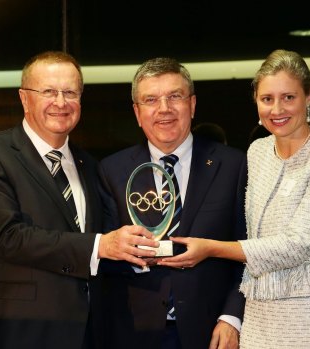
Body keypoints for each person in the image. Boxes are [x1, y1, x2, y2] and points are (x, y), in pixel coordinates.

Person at [0, 51, 158, 349]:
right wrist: (103, 245)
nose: (61, 103)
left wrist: (147, 250)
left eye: (70, 92)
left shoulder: (91, 166)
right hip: (13, 333)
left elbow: (95, 253)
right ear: (24, 98)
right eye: (48, 91)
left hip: (84, 333)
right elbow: (8, 237)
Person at [158, 49, 310, 348]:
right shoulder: (258, 153)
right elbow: (248, 233)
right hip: (260, 322)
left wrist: (210, 249)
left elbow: (295, 246)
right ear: (256, 101)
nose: (277, 109)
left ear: (309, 96)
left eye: (288, 97)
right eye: (267, 99)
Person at [98, 57, 247, 349]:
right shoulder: (110, 171)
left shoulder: (233, 165)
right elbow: (102, 257)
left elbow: (250, 250)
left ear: (192, 104)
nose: (164, 109)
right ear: (137, 113)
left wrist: (232, 317)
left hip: (211, 332)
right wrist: (129, 254)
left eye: (174, 96)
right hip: (135, 333)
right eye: (151, 100)